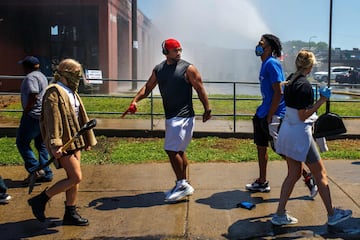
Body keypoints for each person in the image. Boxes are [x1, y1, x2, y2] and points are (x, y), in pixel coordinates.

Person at [124, 38, 211, 203]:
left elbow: (200, 88)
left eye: (180, 50)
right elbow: (148, 87)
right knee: (178, 151)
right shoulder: (159, 70)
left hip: (183, 116)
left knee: (171, 151)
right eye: (175, 50)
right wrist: (135, 100)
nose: (178, 53)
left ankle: (182, 184)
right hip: (171, 116)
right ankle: (182, 183)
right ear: (166, 52)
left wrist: (207, 108)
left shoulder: (188, 68)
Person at [271, 50, 352, 226]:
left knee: (293, 174)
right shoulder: (305, 86)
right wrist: (322, 100)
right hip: (300, 134)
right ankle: (332, 215)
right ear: (311, 65)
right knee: (320, 173)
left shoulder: (291, 79)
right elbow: (303, 115)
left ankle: (279, 214)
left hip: (287, 130)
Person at [28, 58, 97, 226]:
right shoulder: (54, 91)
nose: (78, 78)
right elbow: (52, 120)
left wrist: (86, 139)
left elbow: (79, 116)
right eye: (75, 74)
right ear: (65, 73)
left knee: (73, 178)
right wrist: (55, 144)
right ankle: (40, 200)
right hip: (63, 142)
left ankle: (70, 213)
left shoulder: (71, 91)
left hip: (75, 140)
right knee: (75, 177)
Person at [246, 34, 317, 197]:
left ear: (269, 48)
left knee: (284, 150)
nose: (258, 45)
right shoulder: (265, 63)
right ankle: (262, 182)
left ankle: (308, 177)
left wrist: (271, 114)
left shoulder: (272, 63)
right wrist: (263, 113)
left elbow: (279, 92)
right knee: (261, 147)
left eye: (261, 43)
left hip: (274, 115)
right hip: (263, 113)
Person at [17, 56, 53, 183]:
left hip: (32, 116)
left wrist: (26, 110)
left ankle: (35, 169)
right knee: (41, 144)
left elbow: (33, 94)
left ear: (26, 67)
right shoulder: (41, 75)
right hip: (42, 116)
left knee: (22, 142)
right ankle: (46, 173)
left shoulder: (30, 77)